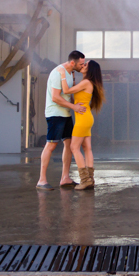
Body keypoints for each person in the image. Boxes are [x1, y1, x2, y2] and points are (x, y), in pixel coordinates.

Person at [36, 50, 87, 191]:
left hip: (65, 113)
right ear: (72, 62)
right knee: (51, 145)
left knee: (69, 144)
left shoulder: (70, 73)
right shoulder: (58, 73)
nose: (83, 66)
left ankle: (65, 178)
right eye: (81, 64)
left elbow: (67, 94)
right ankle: (41, 180)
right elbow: (56, 97)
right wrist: (74, 107)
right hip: (55, 114)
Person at [59, 60, 105, 190]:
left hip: (83, 119)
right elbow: (75, 97)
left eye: (86, 65)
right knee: (87, 148)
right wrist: (73, 77)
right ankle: (90, 179)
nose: (83, 65)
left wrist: (63, 73)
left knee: (74, 147)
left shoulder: (86, 82)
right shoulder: (87, 83)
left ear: (90, 69)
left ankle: (84, 180)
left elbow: (66, 90)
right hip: (86, 117)